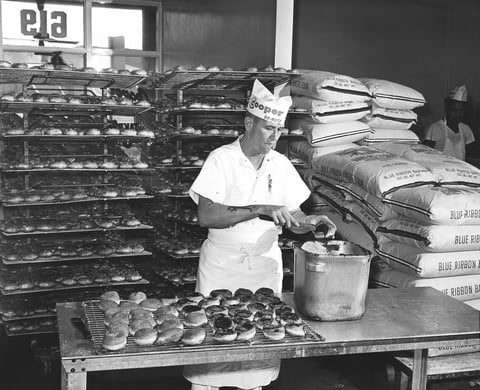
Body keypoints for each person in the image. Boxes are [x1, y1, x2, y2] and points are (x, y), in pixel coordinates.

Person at [183, 79, 336, 390]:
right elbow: (206, 215)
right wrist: (259, 208)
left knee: (259, 355)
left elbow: (293, 217)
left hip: (264, 268)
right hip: (222, 269)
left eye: (279, 130)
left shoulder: (279, 164)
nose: (275, 137)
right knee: (214, 352)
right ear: (249, 123)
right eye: (268, 128)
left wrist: (310, 221)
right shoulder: (222, 159)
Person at [424, 84, 475, 160]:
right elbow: (425, 155)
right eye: (454, 110)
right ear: (447, 109)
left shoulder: (466, 129)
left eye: (461, 111)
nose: (457, 114)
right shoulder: (435, 128)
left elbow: (470, 154)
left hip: (460, 170)